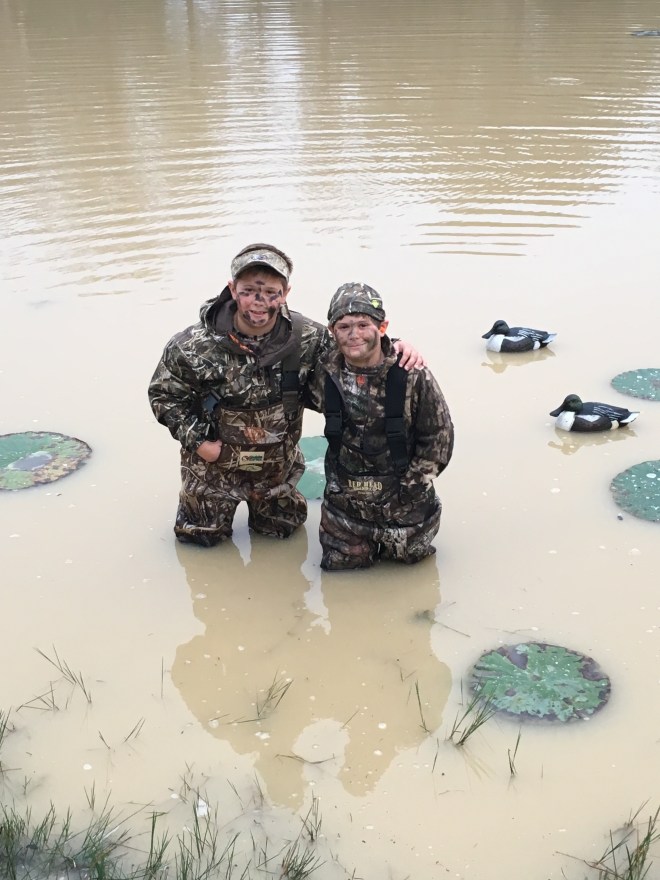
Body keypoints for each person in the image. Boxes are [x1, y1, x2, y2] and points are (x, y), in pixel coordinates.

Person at [148, 244, 422, 546]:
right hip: (210, 470)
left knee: (284, 536)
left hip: (277, 471)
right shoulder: (190, 345)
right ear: (232, 289)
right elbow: (164, 396)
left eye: (270, 292)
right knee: (199, 543)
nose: (259, 302)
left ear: (286, 293)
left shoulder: (309, 338)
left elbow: (354, 350)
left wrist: (393, 346)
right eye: (249, 291)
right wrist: (201, 444)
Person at [306, 282, 454, 571]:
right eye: (344, 326)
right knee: (339, 575)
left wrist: (409, 489)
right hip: (344, 511)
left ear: (382, 327)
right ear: (332, 331)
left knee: (410, 573)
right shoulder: (323, 371)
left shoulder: (413, 373)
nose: (354, 334)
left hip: (405, 508)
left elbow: (439, 438)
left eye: (363, 324)